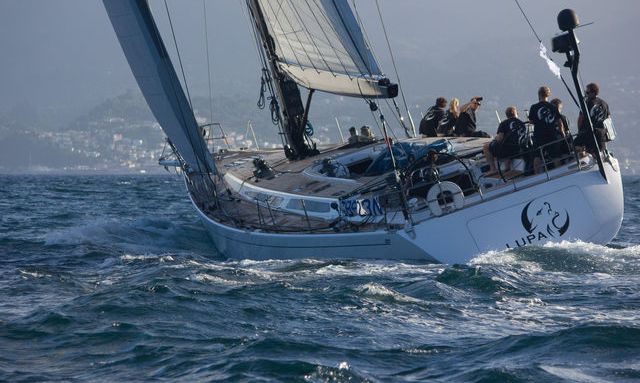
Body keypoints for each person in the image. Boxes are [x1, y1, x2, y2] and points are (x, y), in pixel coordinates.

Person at [483, 106, 527, 173]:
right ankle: (507, 167)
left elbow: (500, 139)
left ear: (507, 115)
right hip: (519, 148)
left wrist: (495, 139)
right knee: (506, 146)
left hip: (508, 149)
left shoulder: (503, 123)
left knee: (486, 146)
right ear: (516, 114)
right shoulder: (522, 124)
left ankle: (493, 169)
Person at [528, 86, 562, 173]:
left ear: (539, 95)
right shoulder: (553, 107)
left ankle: (537, 174)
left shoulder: (534, 107)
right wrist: (562, 134)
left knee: (537, 155)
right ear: (548, 94)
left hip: (539, 134)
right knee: (555, 155)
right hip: (552, 133)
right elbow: (559, 122)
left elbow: (531, 121)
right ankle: (558, 172)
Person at [574, 82, 610, 154]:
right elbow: (608, 118)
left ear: (593, 93)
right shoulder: (605, 104)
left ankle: (583, 158)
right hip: (601, 135)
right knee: (598, 152)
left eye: (587, 92)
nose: (585, 94)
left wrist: (579, 132)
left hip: (589, 133)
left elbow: (581, 118)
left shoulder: (587, 103)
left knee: (574, 145)